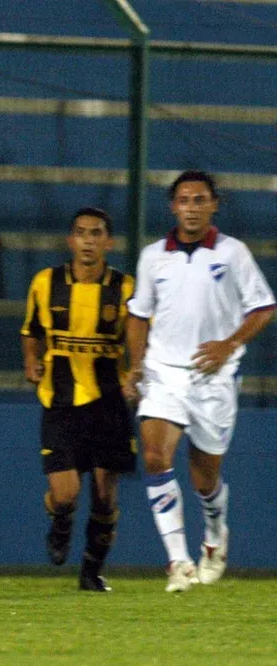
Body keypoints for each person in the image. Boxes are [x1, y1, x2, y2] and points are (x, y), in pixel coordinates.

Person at [123, 170, 274, 593]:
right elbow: (138, 315)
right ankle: (178, 562)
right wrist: (136, 365)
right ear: (173, 207)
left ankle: (214, 533)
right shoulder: (153, 257)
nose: (191, 208)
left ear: (214, 205)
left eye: (199, 200)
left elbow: (263, 307)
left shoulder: (233, 253)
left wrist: (229, 344)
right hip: (164, 372)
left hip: (213, 377)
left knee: (204, 479)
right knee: (155, 456)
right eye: (184, 200)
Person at [20, 207, 136, 592]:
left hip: (108, 401)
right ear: (71, 240)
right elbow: (31, 331)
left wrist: (136, 374)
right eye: (82, 233)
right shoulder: (46, 282)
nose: (89, 240)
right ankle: (61, 520)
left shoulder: (125, 288)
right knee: (66, 493)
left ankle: (91, 573)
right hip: (61, 401)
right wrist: (31, 359)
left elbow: (139, 337)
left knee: (104, 496)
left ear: (109, 242)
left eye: (96, 233)